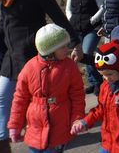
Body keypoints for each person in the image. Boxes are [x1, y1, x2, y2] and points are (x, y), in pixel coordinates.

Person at [0, 0, 82, 153]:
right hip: (11, 56)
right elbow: (4, 24)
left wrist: (74, 41)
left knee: (37, 101)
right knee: (2, 97)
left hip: (34, 55)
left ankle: (48, 138)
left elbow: (57, 15)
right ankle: (1, 144)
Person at [7, 24, 85, 153]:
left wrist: (77, 119)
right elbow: (19, 99)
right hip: (35, 129)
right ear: (50, 50)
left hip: (59, 127)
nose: (68, 49)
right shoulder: (30, 68)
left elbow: (77, 95)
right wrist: (15, 126)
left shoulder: (70, 67)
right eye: (63, 47)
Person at [66, 0, 105, 95]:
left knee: (87, 52)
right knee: (80, 56)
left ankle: (98, 82)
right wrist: (71, 18)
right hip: (77, 28)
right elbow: (68, 8)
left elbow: (102, 7)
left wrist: (92, 20)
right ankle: (94, 81)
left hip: (92, 28)